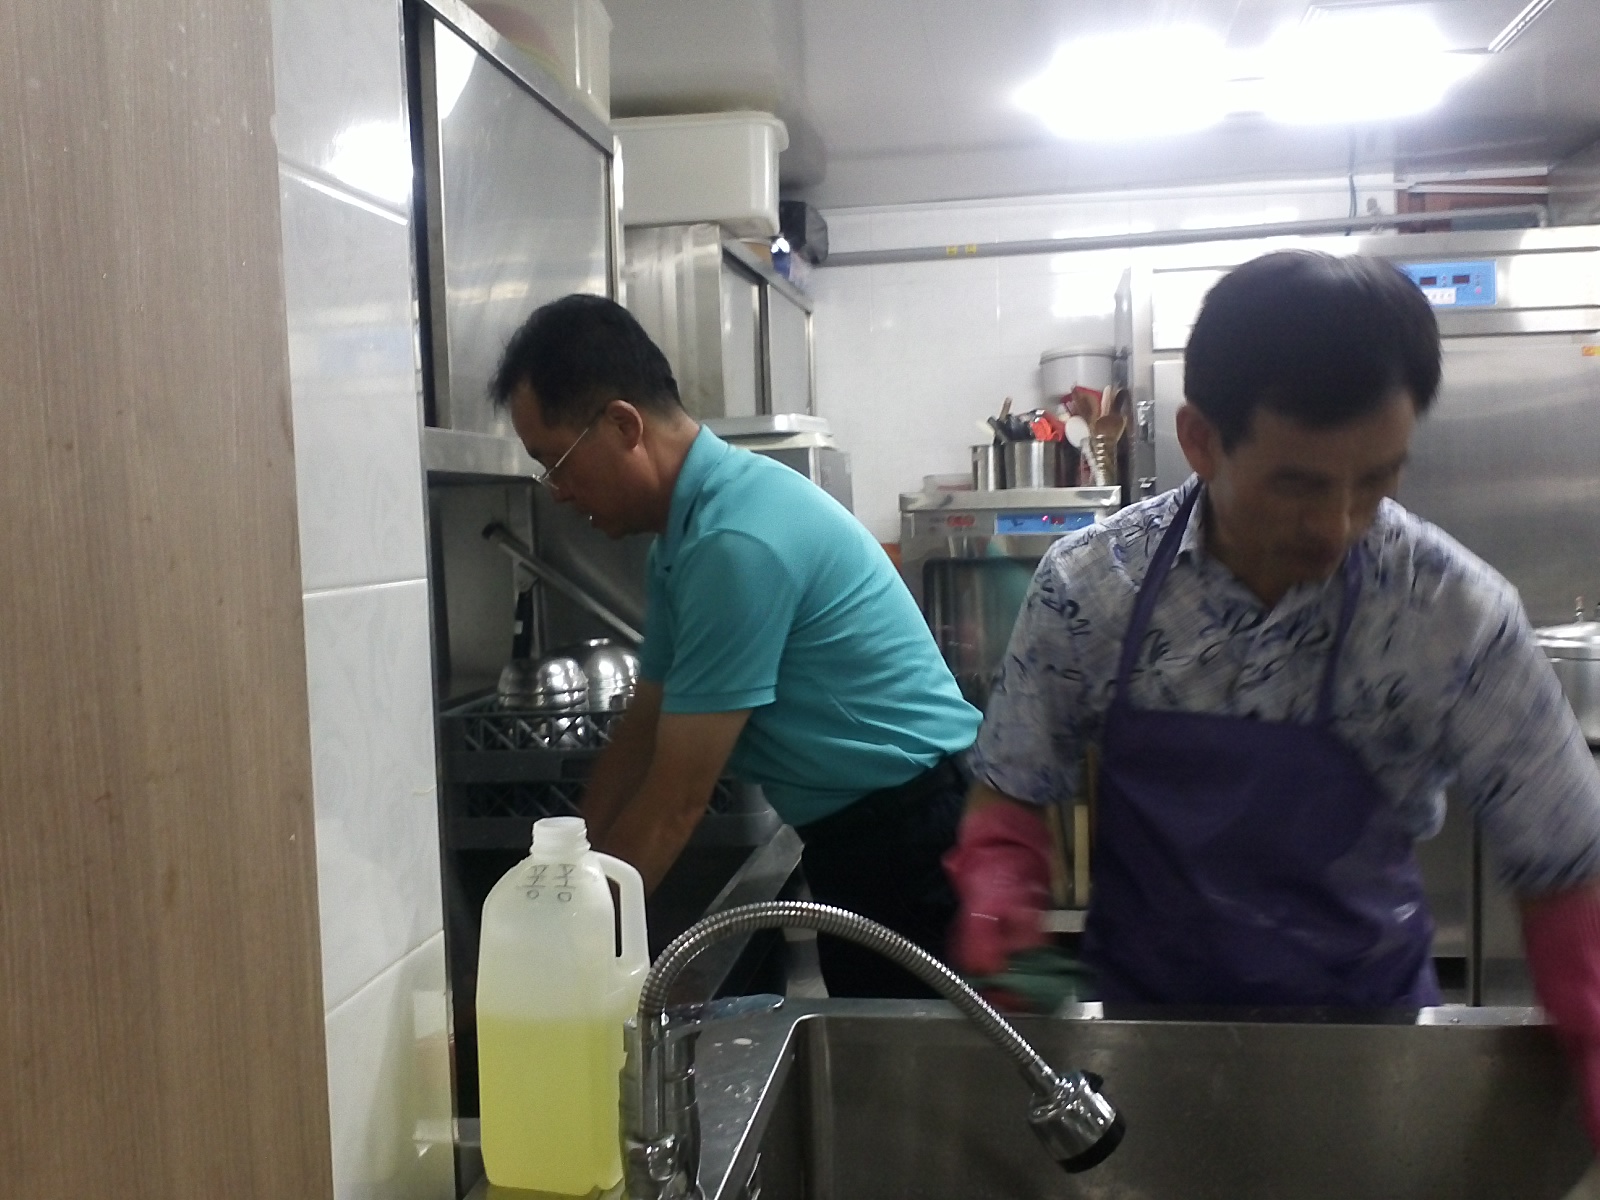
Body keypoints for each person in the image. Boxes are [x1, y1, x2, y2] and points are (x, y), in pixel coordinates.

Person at [944, 250, 1600, 1155]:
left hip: (1372, 1056)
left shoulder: (1451, 612)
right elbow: (1013, 789)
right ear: (1201, 438)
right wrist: (998, 892)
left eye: (1377, 479)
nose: (1338, 527)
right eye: (1299, 484)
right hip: (1143, 1047)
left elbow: (1566, 862)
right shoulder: (1092, 588)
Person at [491, 293, 982, 998]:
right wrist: (570, 881)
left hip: (915, 840)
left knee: (918, 1063)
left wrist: (564, 966)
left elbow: (675, 801)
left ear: (624, 425)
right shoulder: (685, 538)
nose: (558, 491)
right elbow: (642, 733)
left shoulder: (733, 541)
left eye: (556, 462)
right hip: (871, 834)